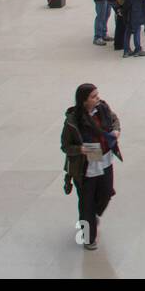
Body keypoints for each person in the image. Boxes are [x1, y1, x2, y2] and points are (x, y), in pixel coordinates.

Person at [60, 83, 121, 250]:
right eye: (93, 96)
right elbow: (65, 146)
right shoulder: (73, 121)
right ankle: (88, 237)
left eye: (97, 95)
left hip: (104, 159)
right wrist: (80, 149)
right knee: (86, 203)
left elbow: (115, 119)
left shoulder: (103, 108)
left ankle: (93, 216)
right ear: (84, 100)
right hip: (85, 166)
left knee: (106, 193)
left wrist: (116, 130)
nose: (97, 98)